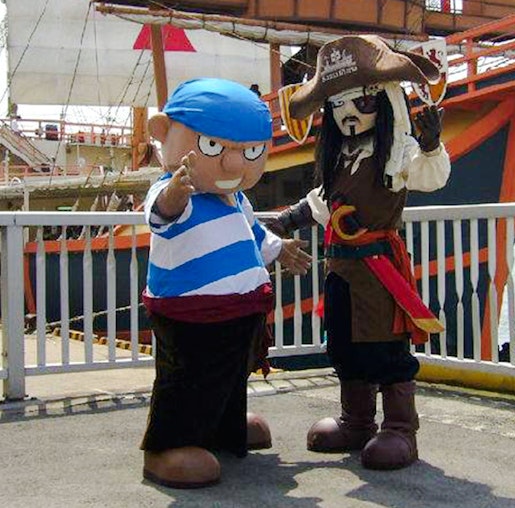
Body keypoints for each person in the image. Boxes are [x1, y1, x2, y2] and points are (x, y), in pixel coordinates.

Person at [268, 34, 449, 470]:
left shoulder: (395, 152)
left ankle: (401, 429)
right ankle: (357, 421)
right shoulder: (339, 157)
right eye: (338, 106)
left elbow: (432, 177)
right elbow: (322, 201)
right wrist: (287, 220)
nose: (348, 115)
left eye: (361, 103)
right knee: (345, 343)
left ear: (385, 102)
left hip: (379, 268)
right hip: (342, 270)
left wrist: (430, 146)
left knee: (387, 347)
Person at [140, 78, 312, 489]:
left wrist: (280, 248)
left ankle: (223, 428)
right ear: (163, 133)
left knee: (230, 376)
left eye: (251, 152)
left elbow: (254, 233)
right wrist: (176, 194)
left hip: (240, 309)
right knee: (187, 376)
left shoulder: (235, 199)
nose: (236, 165)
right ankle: (166, 447)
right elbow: (161, 216)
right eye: (215, 148)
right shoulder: (168, 189)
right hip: (190, 313)